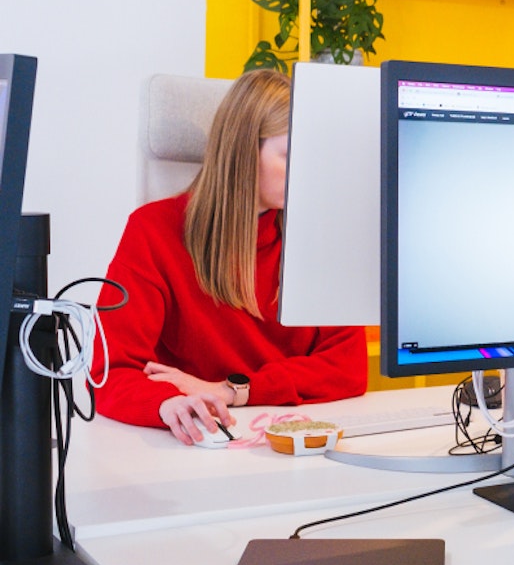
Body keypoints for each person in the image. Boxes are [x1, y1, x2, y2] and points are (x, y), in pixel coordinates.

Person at [93, 69, 367, 444]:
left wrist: (233, 390)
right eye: (291, 155)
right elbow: (111, 372)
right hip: (197, 442)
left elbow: (348, 367)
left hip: (291, 438)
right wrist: (168, 405)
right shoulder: (153, 232)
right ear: (243, 153)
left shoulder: (319, 235)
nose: (309, 172)